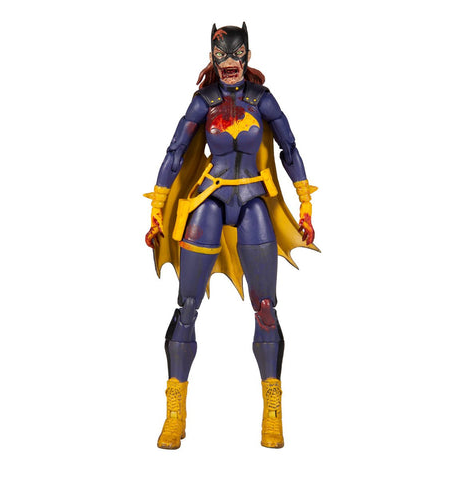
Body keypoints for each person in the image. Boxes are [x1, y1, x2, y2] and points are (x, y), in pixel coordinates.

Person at [145, 23, 318, 449]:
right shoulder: (203, 101)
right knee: (187, 306)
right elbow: (174, 154)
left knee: (266, 308)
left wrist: (305, 203)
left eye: (236, 54)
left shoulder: (262, 99)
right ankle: (174, 412)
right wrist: (157, 209)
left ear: (247, 56)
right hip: (210, 198)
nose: (229, 62)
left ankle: (273, 412)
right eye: (221, 55)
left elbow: (290, 149)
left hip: (254, 200)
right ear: (212, 57)